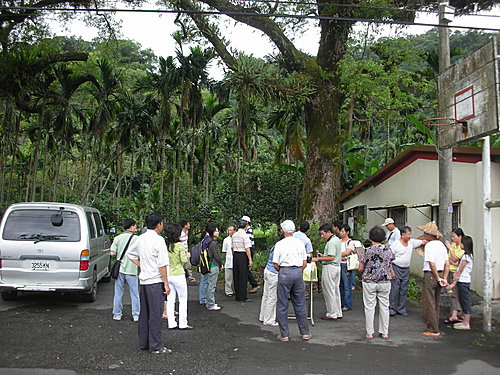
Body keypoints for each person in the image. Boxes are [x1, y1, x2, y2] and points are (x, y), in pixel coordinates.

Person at [127, 213, 171, 354]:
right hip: (155, 281)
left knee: (144, 313)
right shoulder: (159, 240)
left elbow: (130, 254)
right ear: (158, 225)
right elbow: (162, 265)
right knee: (155, 314)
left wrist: (141, 264)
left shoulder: (140, 238)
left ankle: (143, 343)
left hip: (144, 281)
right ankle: (156, 345)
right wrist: (166, 284)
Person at [273, 220, 311, 341]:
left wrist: (283, 270)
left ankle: (284, 334)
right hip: (298, 273)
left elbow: (275, 264)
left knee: (282, 304)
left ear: (282, 231)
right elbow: (304, 263)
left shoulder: (279, 244)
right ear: (294, 230)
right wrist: (298, 270)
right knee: (300, 303)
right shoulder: (300, 243)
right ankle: (305, 332)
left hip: (284, 272)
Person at [359, 226, 395, 339]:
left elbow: (360, 268)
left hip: (369, 281)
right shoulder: (388, 250)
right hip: (384, 281)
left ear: (370, 238)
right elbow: (390, 264)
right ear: (384, 238)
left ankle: (369, 332)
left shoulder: (365, 251)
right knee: (384, 306)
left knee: (369, 307)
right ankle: (384, 332)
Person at [417, 221, 449, 337]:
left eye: (425, 233)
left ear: (429, 234)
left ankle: (433, 329)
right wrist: (443, 278)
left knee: (429, 302)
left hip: (431, 274)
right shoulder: (441, 245)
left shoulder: (429, 246)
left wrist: (436, 277)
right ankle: (434, 326)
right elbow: (447, 263)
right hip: (440, 273)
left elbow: (432, 263)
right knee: (436, 302)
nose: (424, 235)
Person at [389, 226, 425, 317]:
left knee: (404, 289)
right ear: (402, 235)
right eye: (408, 234)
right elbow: (388, 258)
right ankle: (391, 309)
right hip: (396, 267)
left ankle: (401, 309)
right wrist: (391, 271)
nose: (410, 236)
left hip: (406, 269)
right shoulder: (395, 244)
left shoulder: (411, 242)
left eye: (410, 234)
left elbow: (423, 242)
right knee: (395, 289)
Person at [164, 223, 192, 330]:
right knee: (183, 299)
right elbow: (184, 261)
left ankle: (171, 323)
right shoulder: (179, 245)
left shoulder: (165, 245)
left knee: (170, 300)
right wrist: (187, 255)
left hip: (168, 274)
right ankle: (183, 323)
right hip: (179, 274)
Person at [111, 218, 139, 322]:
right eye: (135, 226)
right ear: (131, 227)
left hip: (120, 270)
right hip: (132, 270)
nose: (135, 228)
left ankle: (117, 314)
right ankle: (136, 315)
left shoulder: (117, 238)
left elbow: (112, 253)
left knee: (118, 293)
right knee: (135, 294)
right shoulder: (137, 239)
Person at [313, 223, 342, 320]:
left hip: (330, 267)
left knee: (329, 290)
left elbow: (331, 257)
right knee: (335, 290)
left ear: (329, 232)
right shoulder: (337, 240)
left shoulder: (331, 242)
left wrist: (318, 259)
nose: (322, 236)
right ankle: (337, 312)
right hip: (337, 267)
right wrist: (322, 256)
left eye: (323, 234)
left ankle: (331, 313)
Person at [446, 235, 474, 330]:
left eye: (462, 243)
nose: (460, 244)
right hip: (463, 281)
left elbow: (459, 271)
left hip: (463, 281)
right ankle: (464, 322)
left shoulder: (466, 256)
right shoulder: (467, 255)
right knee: (463, 301)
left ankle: (466, 323)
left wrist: (453, 283)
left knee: (465, 301)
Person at [444, 228, 466, 324]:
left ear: (460, 237)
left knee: (455, 294)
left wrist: (451, 249)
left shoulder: (462, 247)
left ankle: (455, 315)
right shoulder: (453, 246)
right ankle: (457, 314)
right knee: (452, 293)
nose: (452, 238)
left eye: (454, 236)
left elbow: (455, 259)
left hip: (457, 274)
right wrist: (453, 260)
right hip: (450, 270)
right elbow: (449, 259)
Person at [259, 238, 281, 326]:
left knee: (266, 295)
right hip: (274, 273)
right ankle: (269, 320)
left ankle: (263, 316)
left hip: (268, 270)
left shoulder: (275, 246)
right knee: (272, 297)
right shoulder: (280, 247)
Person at [232, 220, 253, 302]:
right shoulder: (245, 235)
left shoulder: (234, 235)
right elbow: (247, 248)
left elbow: (232, 247)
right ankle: (243, 296)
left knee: (236, 275)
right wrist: (250, 259)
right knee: (243, 276)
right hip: (242, 255)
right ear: (245, 227)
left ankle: (237, 295)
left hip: (236, 255)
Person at [240, 215, 261, 293]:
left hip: (248, 249)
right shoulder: (246, 230)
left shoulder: (248, 231)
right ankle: (253, 284)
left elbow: (247, 243)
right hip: (248, 249)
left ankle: (254, 284)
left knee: (245, 269)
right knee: (245, 269)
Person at [205, 224, 223, 311]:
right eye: (216, 231)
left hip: (211, 264)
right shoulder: (213, 243)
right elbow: (217, 256)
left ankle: (210, 302)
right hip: (214, 265)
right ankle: (210, 304)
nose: (218, 232)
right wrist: (221, 264)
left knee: (210, 284)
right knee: (212, 285)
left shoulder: (209, 242)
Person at [339, 224, 356, 311]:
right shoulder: (338, 241)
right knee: (340, 285)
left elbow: (347, 252)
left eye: (343, 231)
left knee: (347, 285)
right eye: (340, 231)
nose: (341, 233)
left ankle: (347, 304)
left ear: (347, 232)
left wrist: (337, 255)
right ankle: (341, 303)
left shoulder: (350, 242)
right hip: (339, 263)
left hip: (346, 264)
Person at [198, 225, 214, 305]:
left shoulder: (203, 238)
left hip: (202, 262)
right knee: (205, 280)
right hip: (206, 262)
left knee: (203, 280)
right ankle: (203, 298)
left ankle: (202, 297)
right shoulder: (208, 239)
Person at [180, 220, 198, 286]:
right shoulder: (180, 233)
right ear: (185, 226)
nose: (189, 225)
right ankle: (189, 278)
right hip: (182, 253)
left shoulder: (186, 232)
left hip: (186, 252)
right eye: (188, 224)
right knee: (185, 266)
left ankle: (190, 278)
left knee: (187, 266)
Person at [222, 225, 235, 297]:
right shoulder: (226, 240)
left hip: (236, 261)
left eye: (230, 230)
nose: (229, 232)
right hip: (229, 261)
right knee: (228, 277)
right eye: (228, 230)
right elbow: (224, 251)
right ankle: (228, 291)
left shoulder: (237, 238)